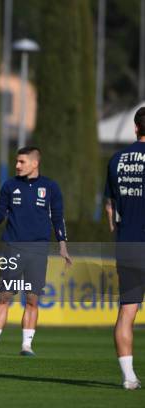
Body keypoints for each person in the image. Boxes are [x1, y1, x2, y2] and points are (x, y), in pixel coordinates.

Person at [0, 146, 71, 356]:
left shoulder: (51, 187)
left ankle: (26, 346)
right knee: (4, 297)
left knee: (32, 299)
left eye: (22, 162)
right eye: (16, 162)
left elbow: (58, 217)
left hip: (38, 249)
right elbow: (0, 212)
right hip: (13, 247)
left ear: (35, 163)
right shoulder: (9, 185)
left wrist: (62, 244)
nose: (17, 166)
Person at [104, 106, 145, 390]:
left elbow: (109, 206)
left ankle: (128, 377)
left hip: (127, 245)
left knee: (126, 312)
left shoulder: (117, 159)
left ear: (135, 128)